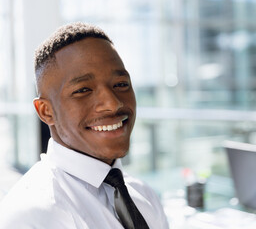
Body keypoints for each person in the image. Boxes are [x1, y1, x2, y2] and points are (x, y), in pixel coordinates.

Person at [0, 22, 169, 229]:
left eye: (121, 84)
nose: (113, 103)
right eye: (83, 90)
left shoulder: (144, 195)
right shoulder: (31, 216)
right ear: (46, 111)